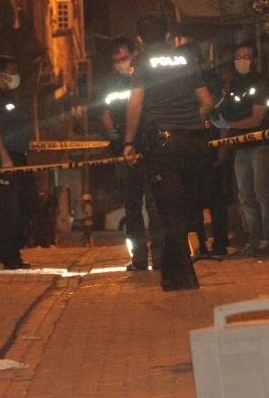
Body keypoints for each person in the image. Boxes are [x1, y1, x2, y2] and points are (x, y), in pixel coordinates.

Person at [123, 14, 214, 291]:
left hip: (164, 145)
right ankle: (173, 276)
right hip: (193, 143)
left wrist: (129, 141)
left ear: (140, 40)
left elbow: (136, 104)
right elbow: (206, 102)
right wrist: (190, 122)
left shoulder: (142, 64)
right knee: (183, 210)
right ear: (167, 36)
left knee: (169, 212)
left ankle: (184, 275)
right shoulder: (186, 60)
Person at [99, 36, 164, 271]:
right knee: (132, 207)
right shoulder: (109, 83)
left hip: (148, 147)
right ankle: (139, 258)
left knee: (155, 205)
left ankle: (160, 256)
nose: (121, 63)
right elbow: (104, 113)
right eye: (116, 60)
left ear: (134, 54)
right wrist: (116, 136)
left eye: (124, 58)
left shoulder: (147, 76)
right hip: (123, 150)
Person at [211, 42, 269, 257]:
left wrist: (229, 125)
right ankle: (254, 239)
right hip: (241, 148)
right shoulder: (233, 85)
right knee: (246, 195)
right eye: (238, 57)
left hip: (261, 145)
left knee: (262, 193)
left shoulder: (261, 83)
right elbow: (225, 112)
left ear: (255, 60)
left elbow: (257, 119)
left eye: (247, 57)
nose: (241, 61)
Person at [178, 41, 230, 258]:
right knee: (193, 199)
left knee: (215, 198)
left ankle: (219, 242)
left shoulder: (209, 80)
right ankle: (201, 244)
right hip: (191, 143)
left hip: (208, 142)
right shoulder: (180, 81)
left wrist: (221, 148)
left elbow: (218, 112)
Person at [0, 55, 36, 269]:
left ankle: (12, 250)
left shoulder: (9, 97)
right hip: (5, 159)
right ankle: (9, 255)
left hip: (19, 158)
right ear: (1, 74)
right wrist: (4, 157)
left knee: (29, 203)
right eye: (12, 70)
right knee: (9, 210)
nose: (16, 74)